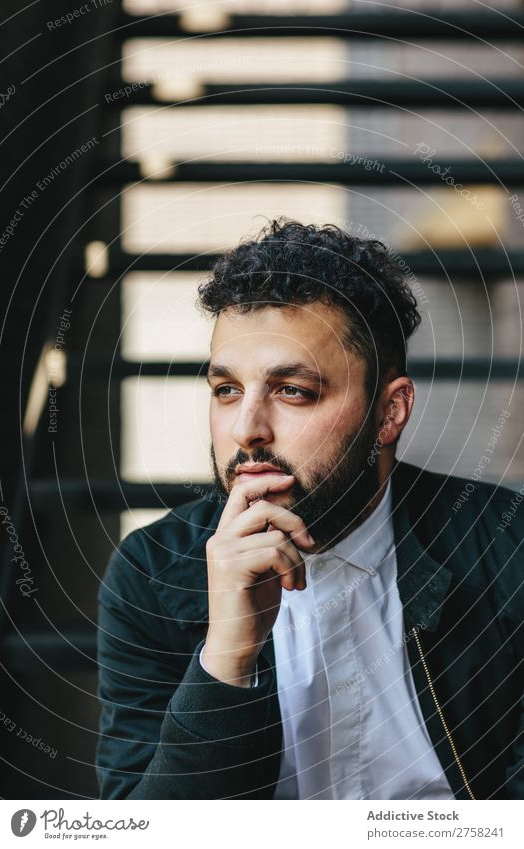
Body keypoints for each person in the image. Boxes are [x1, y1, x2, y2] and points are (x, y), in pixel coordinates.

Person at [96, 219, 523, 800]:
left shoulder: (506, 548)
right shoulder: (152, 573)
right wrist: (227, 656)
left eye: (293, 390)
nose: (247, 429)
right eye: (226, 390)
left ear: (389, 413)